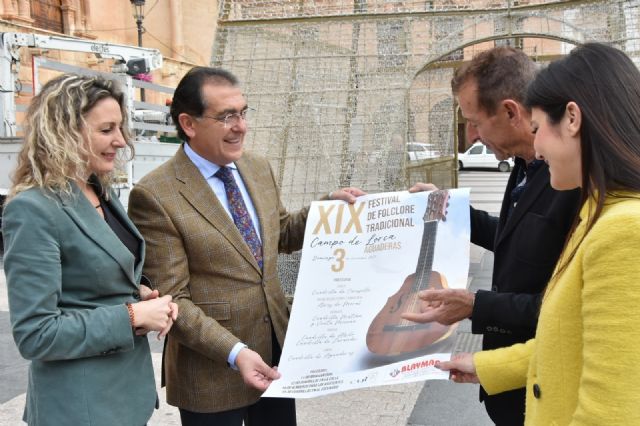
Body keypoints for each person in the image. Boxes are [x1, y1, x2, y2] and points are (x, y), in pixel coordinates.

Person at [127, 67, 365, 426]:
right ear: (189, 124)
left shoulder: (256, 167)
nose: (241, 126)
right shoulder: (155, 195)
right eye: (226, 117)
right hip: (211, 375)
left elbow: (279, 233)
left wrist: (327, 207)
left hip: (274, 358)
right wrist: (236, 353)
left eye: (243, 112)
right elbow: (173, 300)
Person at [436, 42, 640, 425]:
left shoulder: (624, 231)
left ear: (573, 120)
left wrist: (476, 306)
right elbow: (570, 342)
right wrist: (488, 365)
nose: (538, 148)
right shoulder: (599, 211)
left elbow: (608, 412)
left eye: (539, 127)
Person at [402, 47, 581, 425]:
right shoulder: (524, 166)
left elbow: (567, 309)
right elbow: (518, 238)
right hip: (509, 386)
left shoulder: (570, 181)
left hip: (547, 392)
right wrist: (450, 209)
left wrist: (476, 305)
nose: (470, 137)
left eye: (475, 122)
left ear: (512, 112)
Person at [2, 74, 178, 426]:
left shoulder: (98, 190)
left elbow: (90, 281)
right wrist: (131, 316)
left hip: (123, 397)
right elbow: (36, 334)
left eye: (120, 128)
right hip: (79, 408)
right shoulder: (33, 209)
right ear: (63, 132)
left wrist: (137, 295)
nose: (120, 141)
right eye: (106, 130)